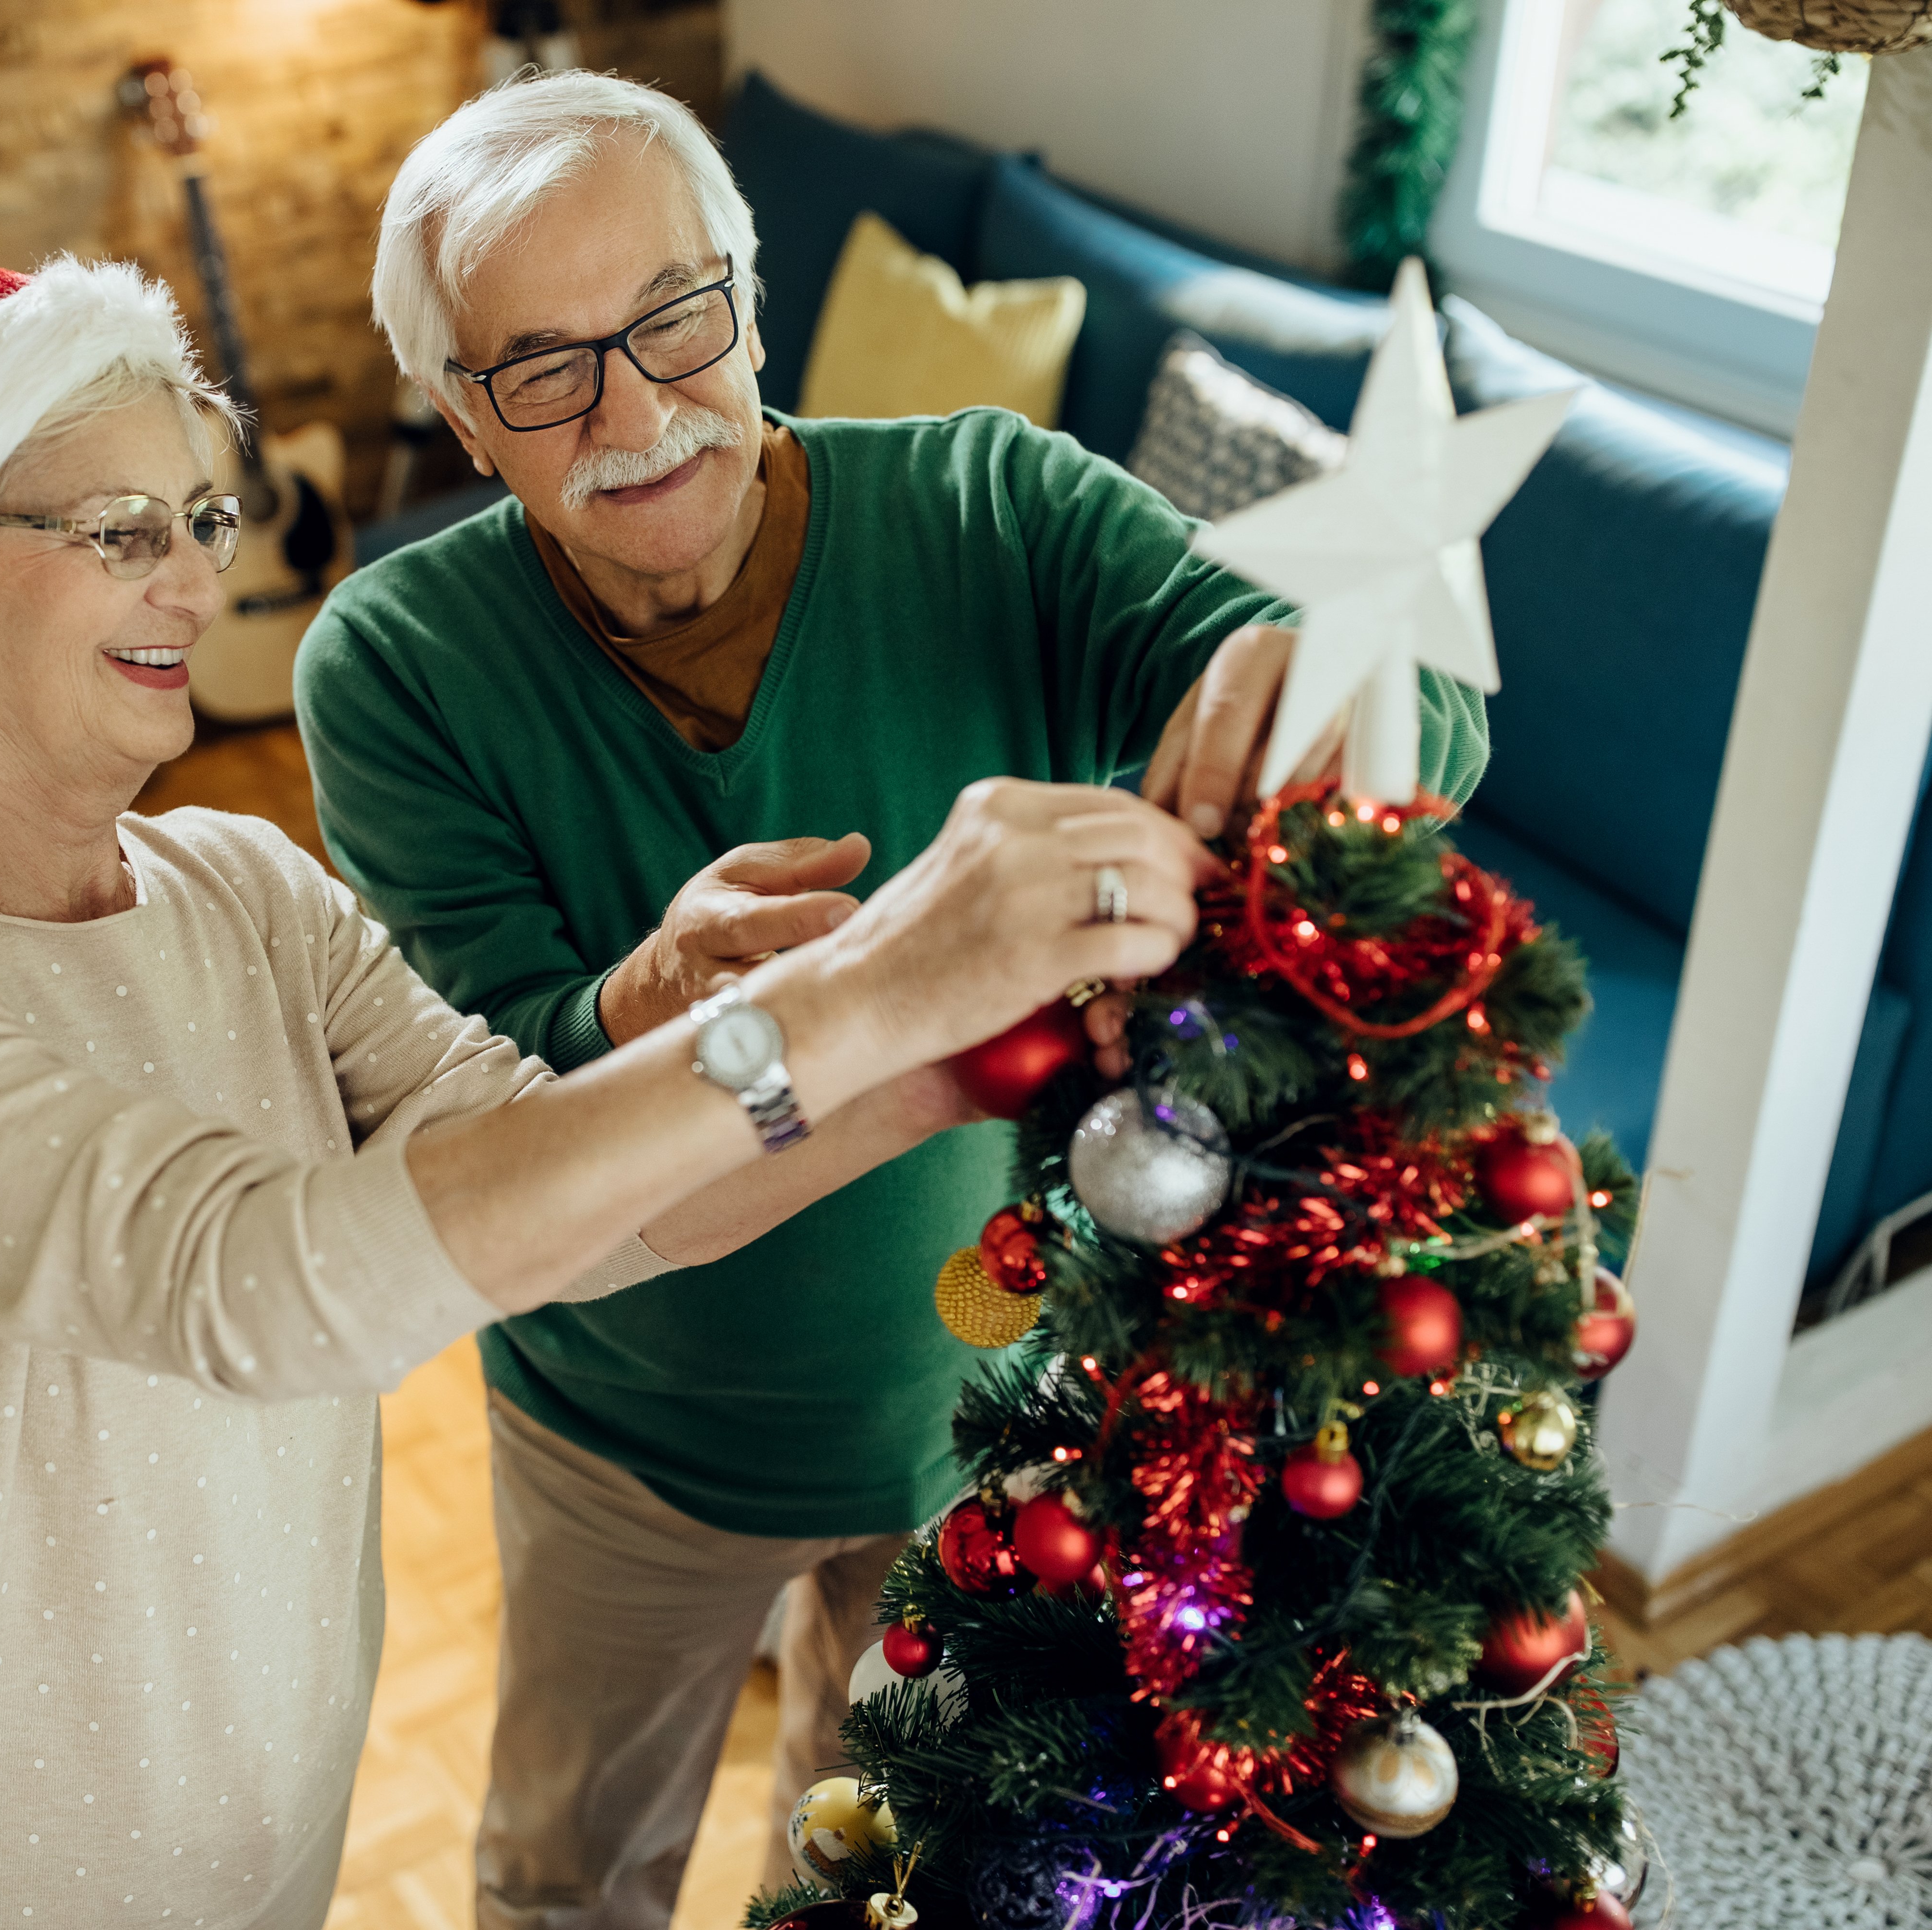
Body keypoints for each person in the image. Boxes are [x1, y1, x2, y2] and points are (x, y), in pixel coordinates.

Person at [0, 253, 1219, 1929]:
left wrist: (929, 1079)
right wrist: (867, 988)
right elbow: (277, 1287)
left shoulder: (242, 891)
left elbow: (581, 1196)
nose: (189, 580)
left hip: (269, 1856)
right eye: (122, 534)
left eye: (203, 521)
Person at [294, 72, 1492, 1929]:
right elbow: (473, 1129)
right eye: (542, 368)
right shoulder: (389, 663)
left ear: (751, 294)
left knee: (873, 1861)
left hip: (975, 1426)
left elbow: (1419, 727)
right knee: (564, 1869)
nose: (637, 408)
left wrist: (1318, 680)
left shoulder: (995, 504)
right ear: (462, 411)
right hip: (623, 1442)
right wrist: (632, 1000)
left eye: (675, 317)